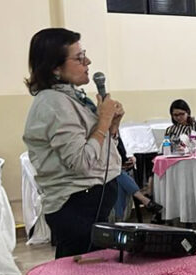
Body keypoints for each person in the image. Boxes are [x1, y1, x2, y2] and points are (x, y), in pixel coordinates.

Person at [23, 28, 123, 258]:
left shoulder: (70, 97)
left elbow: (96, 147)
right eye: (79, 58)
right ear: (55, 68)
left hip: (89, 204)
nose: (88, 62)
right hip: (76, 208)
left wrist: (112, 126)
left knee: (88, 273)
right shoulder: (54, 104)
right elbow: (80, 162)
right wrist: (103, 121)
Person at [113, 138, 161, 221]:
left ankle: (119, 219)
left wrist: (130, 159)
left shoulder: (117, 138)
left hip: (119, 171)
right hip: (107, 172)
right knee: (119, 175)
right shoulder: (104, 140)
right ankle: (144, 200)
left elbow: (123, 155)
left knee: (120, 181)